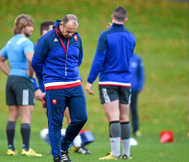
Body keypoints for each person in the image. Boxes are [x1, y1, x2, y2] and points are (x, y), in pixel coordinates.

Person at [32, 14, 87, 162]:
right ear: (61, 25)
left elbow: (78, 58)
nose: (69, 35)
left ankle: (64, 146)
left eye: (73, 32)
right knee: (55, 123)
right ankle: (58, 156)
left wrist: (71, 71)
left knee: (81, 117)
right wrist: (46, 78)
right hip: (55, 86)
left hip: (74, 84)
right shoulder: (47, 39)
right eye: (67, 31)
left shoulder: (76, 38)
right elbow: (36, 62)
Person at [85, 6, 136, 160]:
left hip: (108, 81)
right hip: (126, 82)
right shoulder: (132, 37)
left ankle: (115, 154)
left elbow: (99, 60)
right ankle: (127, 154)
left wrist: (89, 81)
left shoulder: (105, 36)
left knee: (114, 116)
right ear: (125, 19)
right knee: (125, 117)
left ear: (112, 16)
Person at [0, 14, 42, 157]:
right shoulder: (26, 42)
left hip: (11, 80)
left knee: (13, 114)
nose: (32, 29)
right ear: (22, 27)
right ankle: (26, 149)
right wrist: (30, 74)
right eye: (30, 26)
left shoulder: (10, 42)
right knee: (26, 114)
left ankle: (10, 148)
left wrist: (10, 73)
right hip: (23, 81)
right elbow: (31, 59)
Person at [130, 53, 144, 137]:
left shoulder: (137, 59)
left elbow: (141, 74)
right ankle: (120, 131)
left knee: (133, 110)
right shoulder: (122, 57)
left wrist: (139, 86)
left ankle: (136, 130)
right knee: (121, 111)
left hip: (134, 89)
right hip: (123, 88)